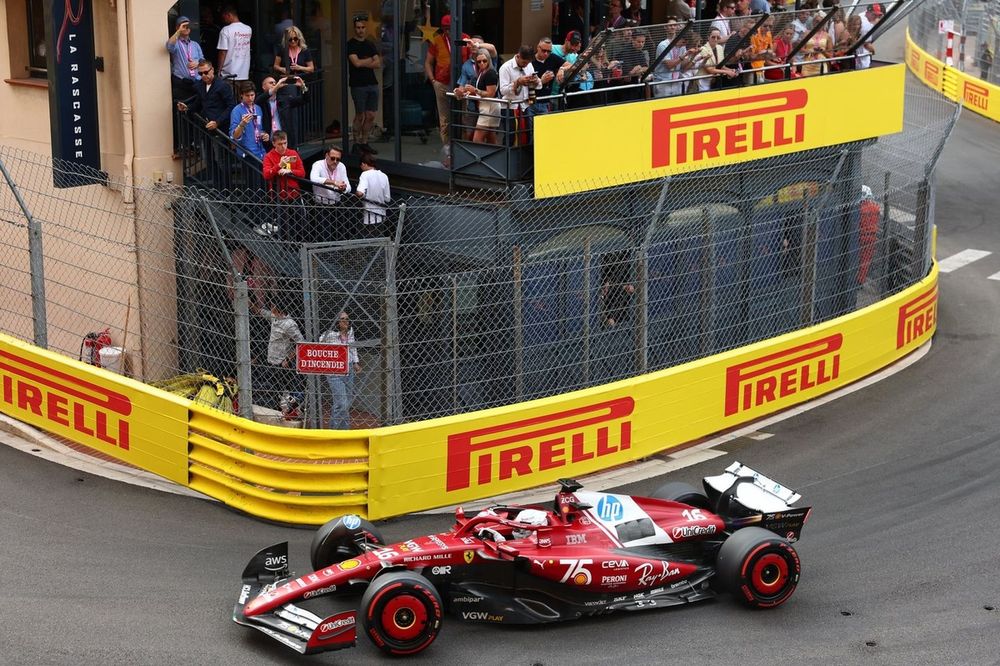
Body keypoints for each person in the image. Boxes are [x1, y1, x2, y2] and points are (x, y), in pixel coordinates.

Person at [425, 15, 472, 151]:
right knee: (444, 119)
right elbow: (428, 62)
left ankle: (463, 147)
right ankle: (447, 149)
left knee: (464, 116)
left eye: (450, 28)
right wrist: (433, 80)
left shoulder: (465, 38)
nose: (448, 31)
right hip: (442, 83)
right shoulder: (437, 40)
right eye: (445, 29)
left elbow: (472, 59)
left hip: (462, 84)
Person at [257, 299, 305, 414]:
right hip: (271, 360)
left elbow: (302, 343)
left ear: (278, 308)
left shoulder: (289, 324)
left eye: (272, 305)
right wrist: (250, 304)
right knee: (275, 391)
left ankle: (292, 411)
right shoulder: (275, 318)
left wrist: (288, 359)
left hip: (283, 363)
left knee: (286, 392)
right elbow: (261, 312)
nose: (271, 308)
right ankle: (278, 412)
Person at [319, 312, 361, 429]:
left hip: (348, 368)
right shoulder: (330, 334)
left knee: (345, 403)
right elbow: (319, 343)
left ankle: (343, 430)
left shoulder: (350, 332)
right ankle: (335, 431)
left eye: (347, 319)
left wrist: (355, 362)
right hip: (335, 370)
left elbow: (352, 347)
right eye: (342, 319)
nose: (345, 321)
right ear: (337, 322)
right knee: (341, 403)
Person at [261, 130, 306, 239]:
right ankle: (286, 249)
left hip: (294, 194)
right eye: (280, 144)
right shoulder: (269, 156)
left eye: (285, 143)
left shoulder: (293, 153)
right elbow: (266, 175)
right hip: (279, 196)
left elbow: (302, 173)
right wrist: (279, 165)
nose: (283, 146)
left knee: (301, 223)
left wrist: (290, 172)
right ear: (274, 144)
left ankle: (298, 246)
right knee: (284, 226)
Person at [347, 17, 382, 155]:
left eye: (363, 27)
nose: (360, 30)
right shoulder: (351, 44)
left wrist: (363, 62)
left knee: (371, 115)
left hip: (372, 83)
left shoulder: (370, 44)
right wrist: (369, 60)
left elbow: (378, 63)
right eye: (358, 27)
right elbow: (356, 63)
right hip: (358, 84)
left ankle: (364, 142)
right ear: (354, 28)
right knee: (360, 115)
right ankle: (356, 143)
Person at [455, 48, 500, 145]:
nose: (482, 63)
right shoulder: (481, 73)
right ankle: (496, 159)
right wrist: (466, 92)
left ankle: (482, 159)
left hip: (489, 107)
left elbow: (490, 94)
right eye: (479, 62)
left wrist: (474, 90)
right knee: (490, 137)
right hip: (486, 107)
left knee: (477, 140)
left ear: (489, 60)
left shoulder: (490, 73)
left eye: (484, 61)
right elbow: (481, 93)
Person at [498, 45, 541, 146]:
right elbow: (503, 91)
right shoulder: (505, 68)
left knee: (527, 135)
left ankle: (523, 160)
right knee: (510, 137)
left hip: (525, 106)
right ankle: (507, 159)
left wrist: (536, 81)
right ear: (518, 56)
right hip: (510, 107)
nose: (526, 65)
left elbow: (539, 86)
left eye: (528, 63)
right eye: (524, 62)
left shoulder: (529, 66)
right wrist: (517, 82)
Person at [176, 60, 234, 133]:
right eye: (200, 73)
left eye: (206, 72)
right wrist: (186, 107)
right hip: (206, 126)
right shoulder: (200, 85)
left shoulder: (223, 86)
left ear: (212, 70)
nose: (203, 75)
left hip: (220, 127)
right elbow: (198, 103)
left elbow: (231, 106)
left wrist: (217, 122)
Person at [309, 146, 351, 241]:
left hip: (337, 204)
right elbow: (314, 178)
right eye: (333, 158)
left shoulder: (341, 166)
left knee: (339, 233)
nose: (335, 161)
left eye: (338, 159)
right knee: (323, 234)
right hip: (320, 205)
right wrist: (334, 182)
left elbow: (348, 187)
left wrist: (343, 188)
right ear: (326, 156)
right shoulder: (318, 164)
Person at [258, 74, 309, 149]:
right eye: (271, 83)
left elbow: (305, 100)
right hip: (268, 140)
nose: (274, 84)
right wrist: (276, 87)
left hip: (283, 140)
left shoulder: (284, 99)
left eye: (275, 82)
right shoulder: (261, 100)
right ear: (263, 86)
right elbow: (258, 100)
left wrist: (303, 87)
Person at [653, 20, 698, 98]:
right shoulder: (663, 45)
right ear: (677, 38)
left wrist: (693, 56)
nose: (683, 45)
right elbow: (669, 65)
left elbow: (683, 67)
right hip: (663, 83)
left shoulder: (682, 47)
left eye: (685, 43)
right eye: (683, 42)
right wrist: (684, 55)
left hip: (676, 82)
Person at [230, 81, 268, 160]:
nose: (250, 98)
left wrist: (264, 134)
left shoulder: (258, 108)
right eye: (247, 95)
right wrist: (242, 125)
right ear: (241, 95)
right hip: (247, 153)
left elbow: (259, 128)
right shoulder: (236, 110)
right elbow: (234, 136)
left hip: (261, 151)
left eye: (252, 95)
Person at [355, 153, 391, 233]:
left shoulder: (365, 175)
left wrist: (356, 195)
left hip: (368, 216)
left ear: (363, 164)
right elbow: (387, 198)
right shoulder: (384, 176)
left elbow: (360, 193)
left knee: (367, 239)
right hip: (381, 214)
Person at [217, 5, 252, 84]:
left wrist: (219, 70)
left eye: (224, 17)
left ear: (228, 15)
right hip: (244, 72)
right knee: (242, 95)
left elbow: (223, 52)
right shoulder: (248, 29)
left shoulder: (226, 30)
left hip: (229, 73)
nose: (223, 20)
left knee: (230, 95)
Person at [530, 38, 565, 114]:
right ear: (538, 48)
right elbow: (525, 84)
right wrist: (541, 81)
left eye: (548, 51)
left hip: (545, 101)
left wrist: (561, 69)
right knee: (530, 126)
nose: (546, 53)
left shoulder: (552, 58)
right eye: (543, 50)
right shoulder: (530, 61)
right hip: (530, 102)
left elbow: (572, 66)